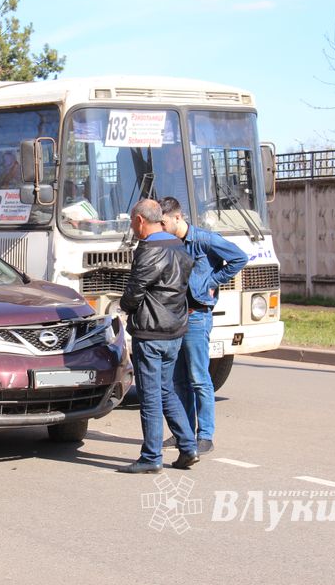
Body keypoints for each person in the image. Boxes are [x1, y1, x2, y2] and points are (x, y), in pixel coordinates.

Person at [159, 196, 248, 455]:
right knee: (178, 380)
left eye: (164, 223)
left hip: (197, 316)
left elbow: (239, 258)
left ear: (177, 217)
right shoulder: (168, 243)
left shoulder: (205, 240)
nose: (161, 228)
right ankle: (183, 433)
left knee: (199, 378)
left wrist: (211, 281)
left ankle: (205, 435)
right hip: (173, 318)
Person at [118, 198, 199, 474]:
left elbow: (135, 289)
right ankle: (188, 446)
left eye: (131, 222)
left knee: (150, 395)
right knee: (166, 390)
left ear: (141, 220)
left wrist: (125, 307)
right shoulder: (178, 244)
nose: (132, 227)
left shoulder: (149, 249)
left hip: (150, 332)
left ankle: (151, 456)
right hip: (174, 330)